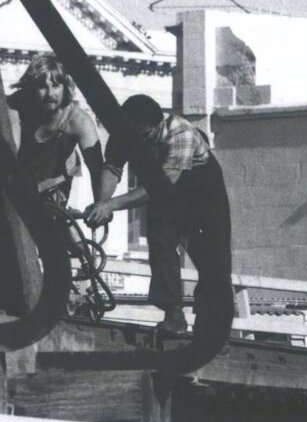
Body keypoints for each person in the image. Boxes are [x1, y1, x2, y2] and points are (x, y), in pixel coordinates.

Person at [85, 94, 231, 337]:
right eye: (136, 137)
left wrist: (111, 205)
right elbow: (112, 169)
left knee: (213, 264)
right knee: (161, 245)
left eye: (146, 137)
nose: (140, 143)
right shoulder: (125, 134)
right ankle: (173, 316)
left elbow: (160, 184)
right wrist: (102, 204)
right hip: (166, 198)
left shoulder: (180, 133)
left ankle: (215, 332)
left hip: (203, 198)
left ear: (158, 124)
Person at [6, 52, 106, 216]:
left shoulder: (78, 120)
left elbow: (97, 170)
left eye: (56, 85)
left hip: (53, 184)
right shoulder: (16, 106)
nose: (50, 93)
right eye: (42, 87)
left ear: (65, 87)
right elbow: (11, 151)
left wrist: (100, 207)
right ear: (31, 89)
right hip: (20, 177)